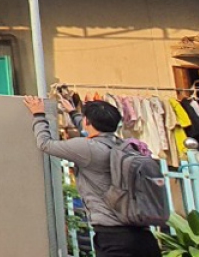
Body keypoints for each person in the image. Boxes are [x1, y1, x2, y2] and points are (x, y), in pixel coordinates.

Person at [23, 96, 161, 257]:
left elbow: (45, 144)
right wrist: (73, 112)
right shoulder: (124, 147)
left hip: (113, 237)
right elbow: (88, 130)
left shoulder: (87, 148)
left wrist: (39, 115)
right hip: (144, 237)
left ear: (87, 121)